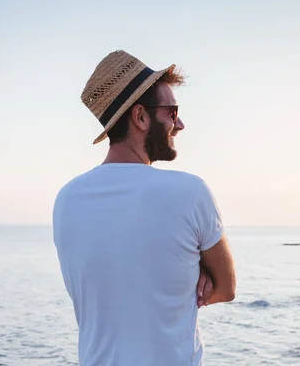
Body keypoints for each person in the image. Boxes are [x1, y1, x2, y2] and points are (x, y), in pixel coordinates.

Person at [53, 50, 236, 366]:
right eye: (171, 111)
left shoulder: (66, 199)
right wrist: (199, 270)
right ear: (140, 117)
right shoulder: (190, 192)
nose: (180, 124)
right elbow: (225, 288)